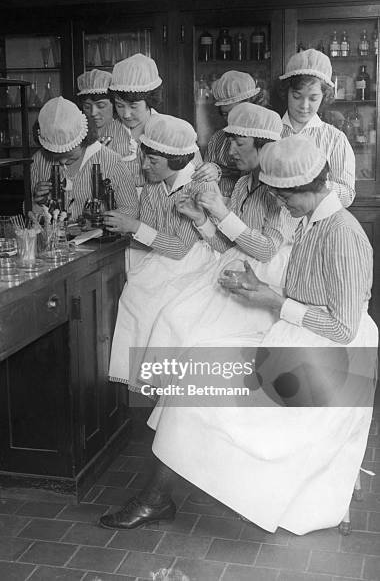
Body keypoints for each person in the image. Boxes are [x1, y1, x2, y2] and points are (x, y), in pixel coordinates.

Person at [100, 135, 377, 536]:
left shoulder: (343, 233)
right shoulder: (314, 221)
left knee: (197, 382)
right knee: (194, 365)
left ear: (308, 187)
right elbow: (308, 295)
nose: (282, 207)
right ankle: (158, 496)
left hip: (334, 364)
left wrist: (273, 301)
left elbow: (343, 327)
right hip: (299, 342)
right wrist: (263, 291)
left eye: (285, 199)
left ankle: (156, 498)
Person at [140, 103, 297, 353]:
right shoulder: (243, 183)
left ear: (264, 144)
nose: (230, 151)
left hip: (266, 279)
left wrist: (223, 214)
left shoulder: (282, 188)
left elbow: (267, 251)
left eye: (239, 143)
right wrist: (201, 220)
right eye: (230, 142)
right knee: (171, 317)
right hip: (235, 266)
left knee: (193, 336)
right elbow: (228, 248)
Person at [104, 113, 222, 386]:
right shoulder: (154, 186)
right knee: (134, 296)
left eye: (152, 160)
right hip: (163, 256)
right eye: (144, 157)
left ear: (177, 160)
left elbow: (181, 248)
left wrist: (133, 226)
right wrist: (129, 225)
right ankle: (138, 383)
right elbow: (150, 229)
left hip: (196, 260)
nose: (144, 166)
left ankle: (162, 386)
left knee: (162, 310)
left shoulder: (199, 185)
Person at [31, 97, 138, 221]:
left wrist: (99, 223)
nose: (62, 162)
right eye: (56, 155)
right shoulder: (38, 160)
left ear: (83, 139)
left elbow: (130, 210)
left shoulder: (112, 162)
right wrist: (38, 202)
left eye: (70, 155)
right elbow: (29, 213)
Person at [109, 53, 202, 188]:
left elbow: (197, 175)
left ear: (149, 100)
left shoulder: (173, 132)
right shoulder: (108, 133)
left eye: (133, 106)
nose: (126, 114)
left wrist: (211, 169)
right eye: (119, 105)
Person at [279, 48, 355, 207]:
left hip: (316, 227)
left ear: (324, 96)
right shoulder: (271, 132)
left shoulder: (335, 139)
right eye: (297, 96)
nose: (304, 106)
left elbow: (347, 195)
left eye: (313, 98)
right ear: (286, 92)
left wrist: (315, 183)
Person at [194, 70, 263, 196]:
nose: (231, 119)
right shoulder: (217, 139)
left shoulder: (265, 137)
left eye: (235, 112)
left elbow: (253, 173)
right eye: (225, 114)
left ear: (252, 105)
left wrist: (220, 170)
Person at [76, 68, 131, 156]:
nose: (93, 113)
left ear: (114, 105)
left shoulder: (127, 134)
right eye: (87, 107)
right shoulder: (76, 135)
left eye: (101, 106)